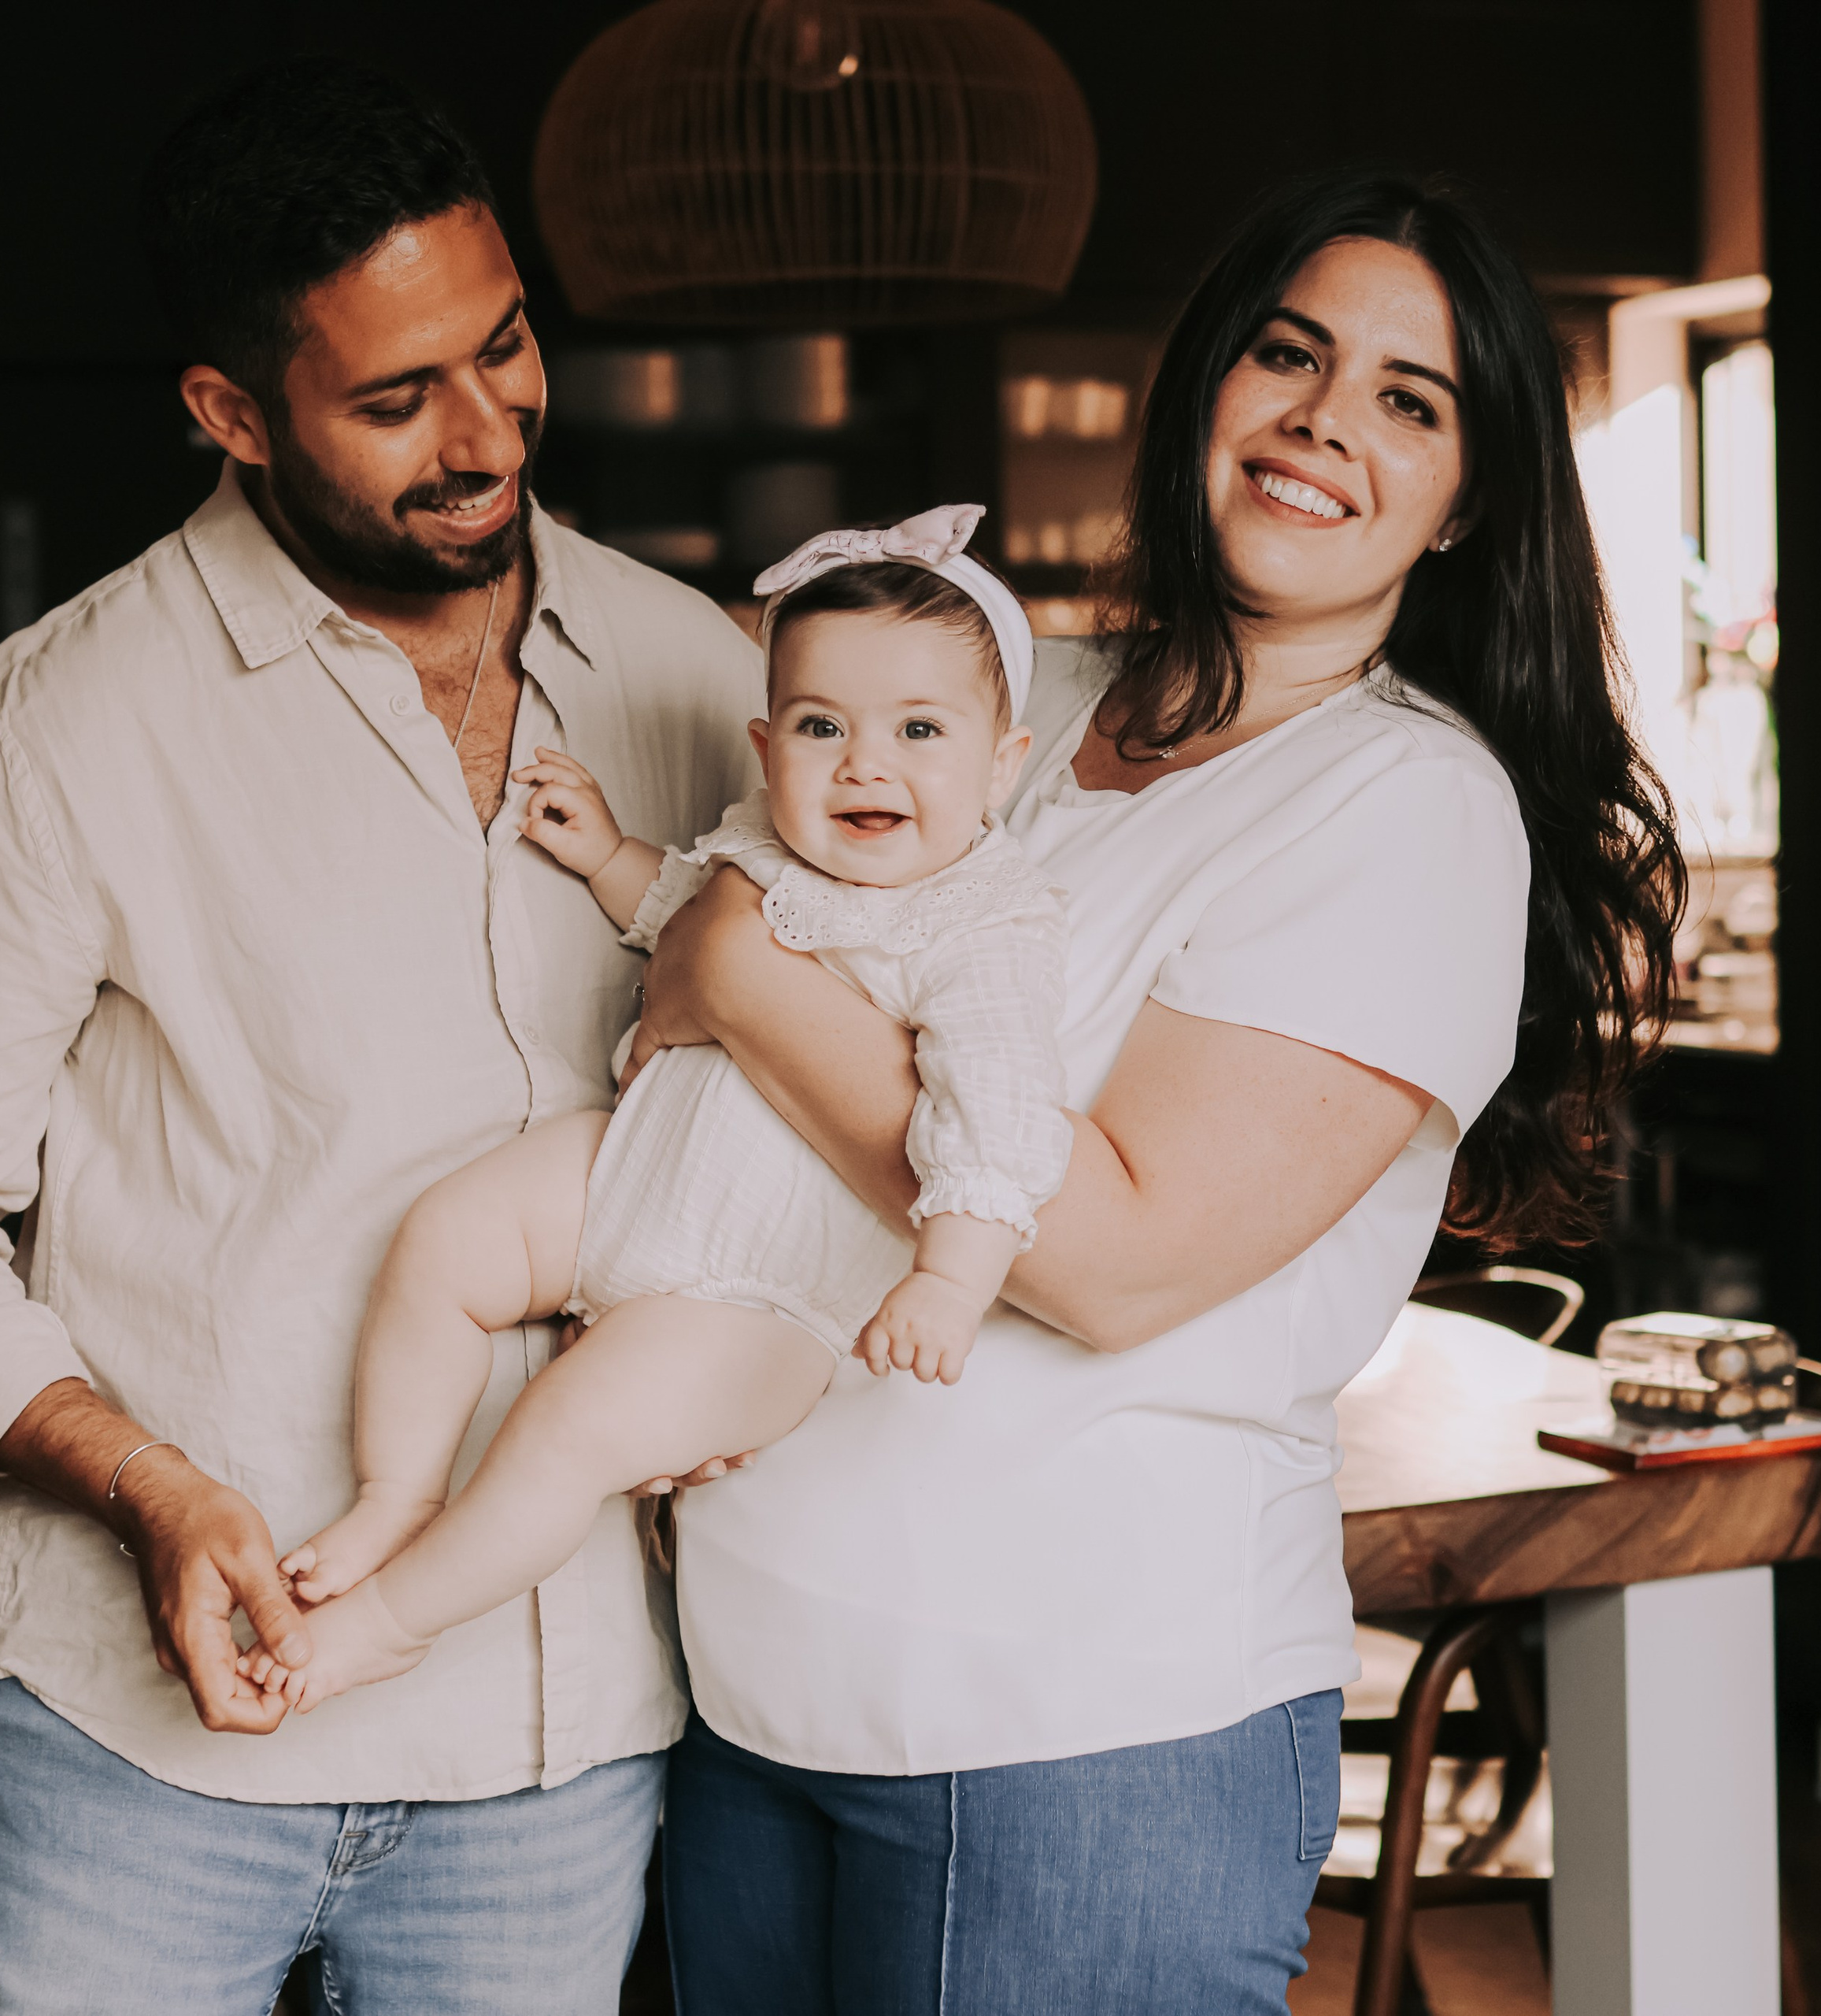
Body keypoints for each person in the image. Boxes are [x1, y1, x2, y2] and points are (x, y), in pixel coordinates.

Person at [632, 169, 1686, 2012]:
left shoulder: (1402, 808)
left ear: (1468, 504)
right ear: (1204, 384)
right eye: (1287, 357)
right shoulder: (1013, 689)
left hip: (1078, 1741)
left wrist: (732, 971)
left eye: (1405, 402)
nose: (1320, 423)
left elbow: (1108, 1251)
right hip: (743, 1697)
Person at [0, 60, 759, 2014]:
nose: (486, 426)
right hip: (137, 1760)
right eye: (395, 394)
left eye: (503, 347)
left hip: (567, 1745)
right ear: (230, 413)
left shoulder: (714, 681)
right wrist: (148, 1489)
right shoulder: (63, 722)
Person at [241, 506, 1072, 1712]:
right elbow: (679, 916)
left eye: (921, 730)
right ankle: (395, 1495)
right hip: (637, 1175)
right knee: (444, 1237)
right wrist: (609, 856)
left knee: (563, 1427)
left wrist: (952, 1277)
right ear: (765, 741)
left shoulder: (984, 924)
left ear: (1002, 761)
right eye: (821, 725)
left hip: (759, 1299)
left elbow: (1002, 1116)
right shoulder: (767, 851)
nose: (864, 763)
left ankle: (389, 1620)